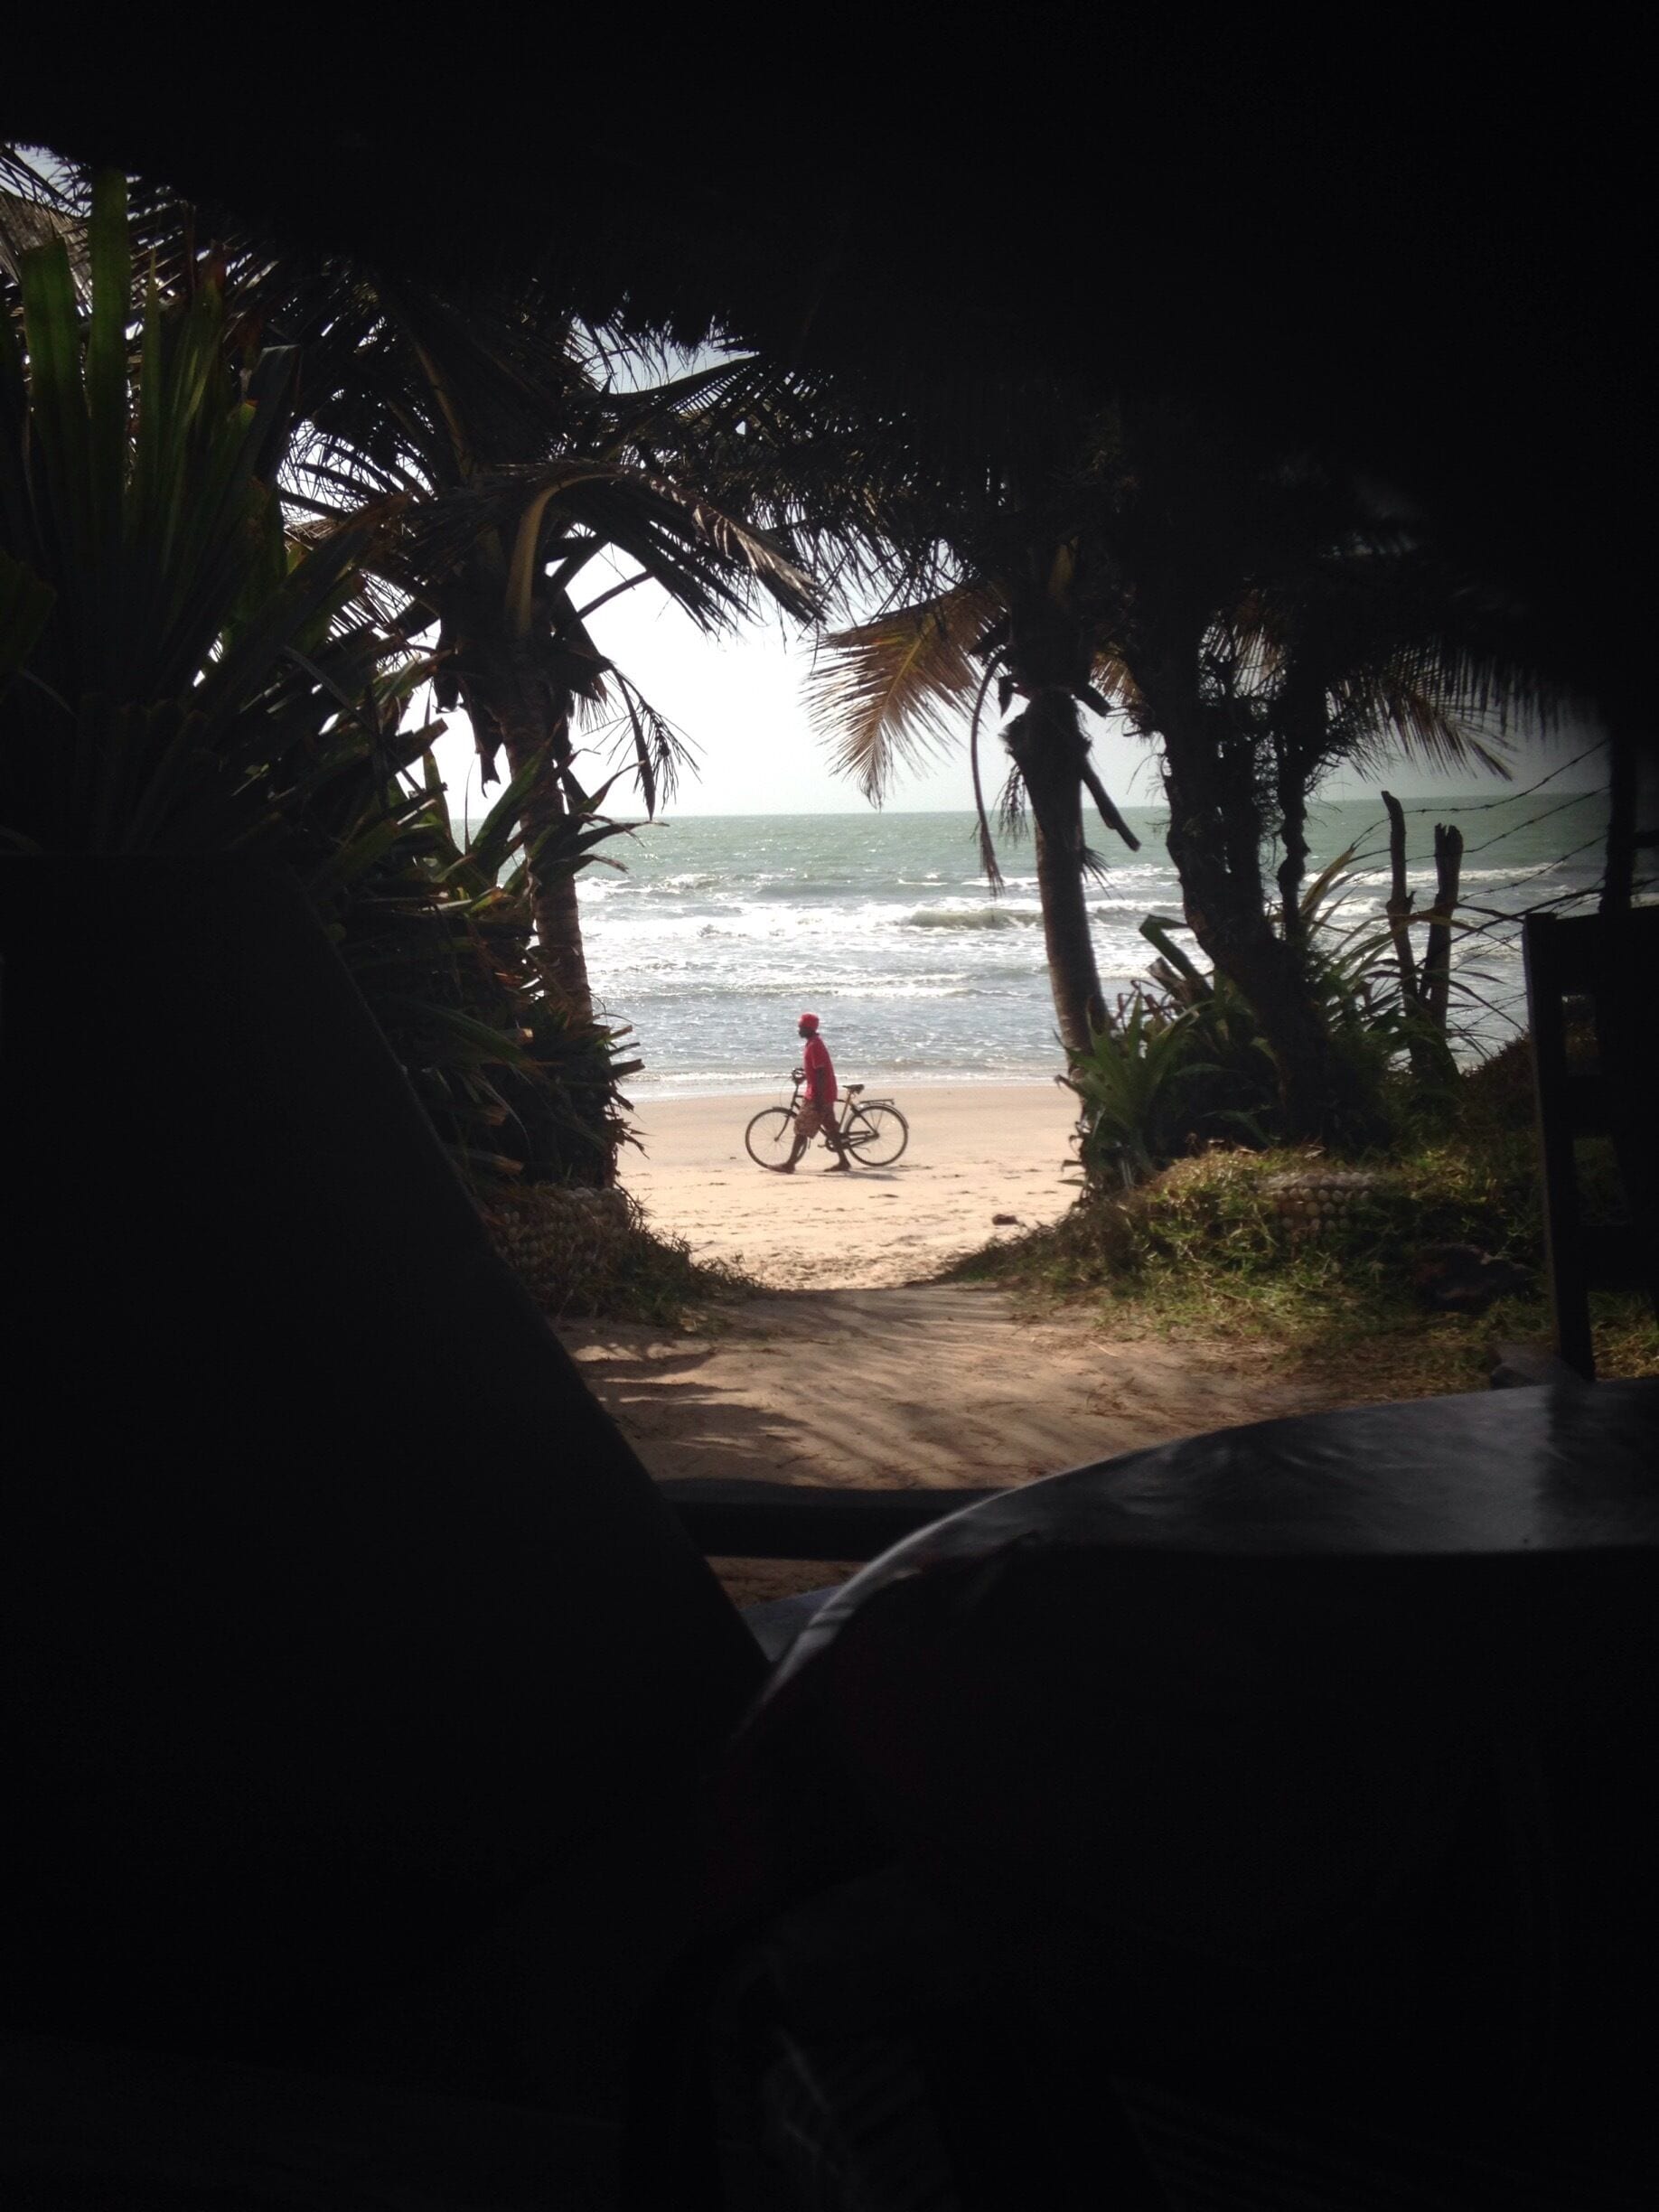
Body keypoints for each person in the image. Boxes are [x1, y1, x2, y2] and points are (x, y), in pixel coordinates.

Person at [781, 1011, 852, 1172]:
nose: (798, 1029)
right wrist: (804, 1078)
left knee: (802, 1128)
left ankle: (790, 1164)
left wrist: (819, 1100)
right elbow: (816, 1070)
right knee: (831, 1130)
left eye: (801, 1027)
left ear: (808, 1028)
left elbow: (820, 1074)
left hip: (818, 1094)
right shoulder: (813, 1043)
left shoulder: (814, 1046)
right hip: (823, 1092)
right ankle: (844, 1161)